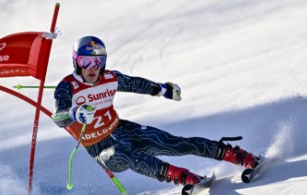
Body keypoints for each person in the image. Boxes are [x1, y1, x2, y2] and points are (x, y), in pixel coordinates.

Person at [52, 36, 259, 186]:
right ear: (76, 62)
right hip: (100, 147)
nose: (92, 68)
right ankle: (181, 176)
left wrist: (162, 89)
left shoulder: (109, 78)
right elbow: (58, 116)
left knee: (173, 144)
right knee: (124, 154)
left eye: (98, 61)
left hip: (121, 129)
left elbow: (134, 84)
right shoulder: (67, 86)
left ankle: (237, 155)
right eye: (86, 61)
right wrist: (73, 114)